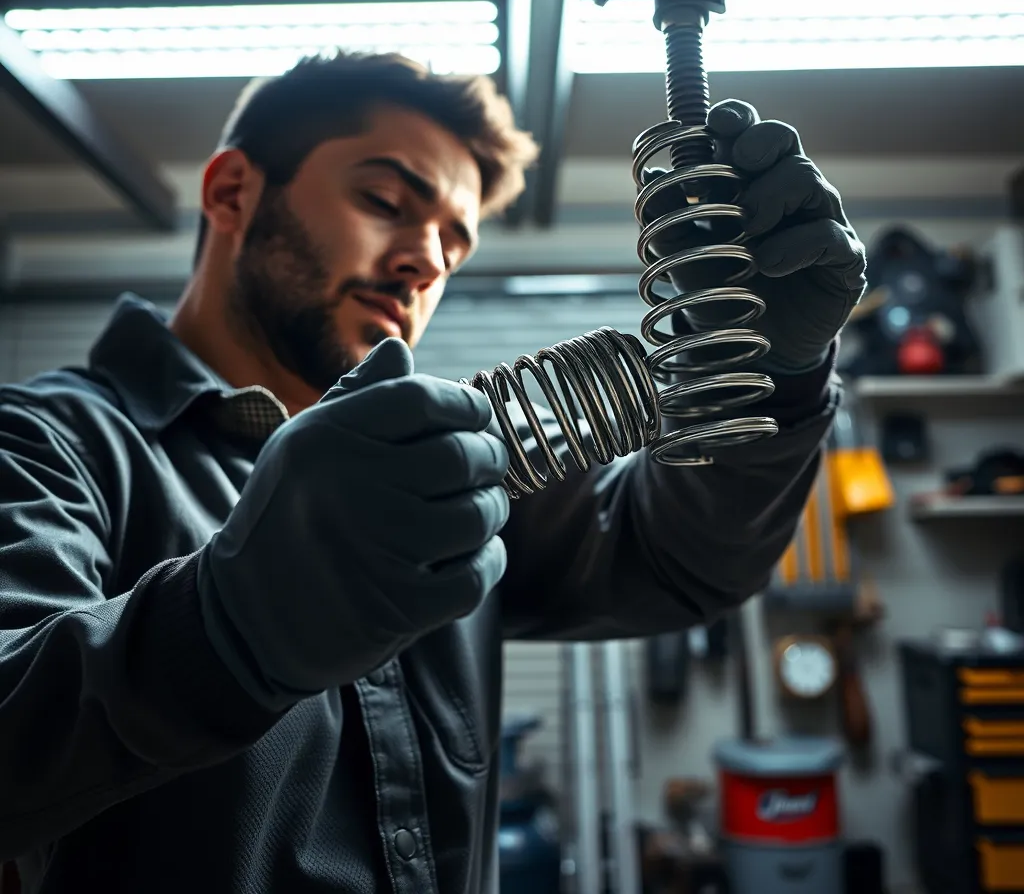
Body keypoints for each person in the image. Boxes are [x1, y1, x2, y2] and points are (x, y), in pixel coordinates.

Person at [0, 51, 866, 894]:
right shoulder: (45, 446)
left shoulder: (449, 483)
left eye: (454, 245)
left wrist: (776, 375)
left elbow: (678, 561)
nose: (426, 261)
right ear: (233, 191)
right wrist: (228, 625)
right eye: (385, 200)